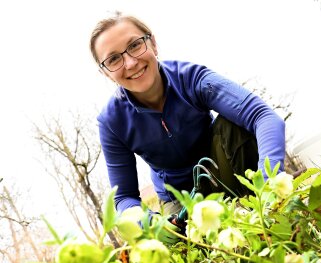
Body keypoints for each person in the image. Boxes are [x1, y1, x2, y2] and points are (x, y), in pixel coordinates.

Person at [89, 12, 286, 224]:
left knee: (233, 123)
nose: (130, 63)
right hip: (179, 198)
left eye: (135, 45)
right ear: (106, 73)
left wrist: (270, 183)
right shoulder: (111, 122)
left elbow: (263, 116)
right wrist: (152, 223)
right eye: (114, 59)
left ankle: (261, 212)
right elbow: (124, 197)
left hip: (223, 168)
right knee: (189, 246)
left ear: (153, 43)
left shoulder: (191, 78)